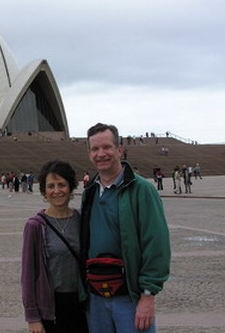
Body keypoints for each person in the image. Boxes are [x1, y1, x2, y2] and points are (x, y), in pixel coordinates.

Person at [81, 123, 171, 332]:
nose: (101, 154)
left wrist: (148, 296)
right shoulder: (90, 192)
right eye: (95, 149)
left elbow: (156, 244)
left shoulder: (141, 190)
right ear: (89, 153)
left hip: (130, 298)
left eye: (107, 147)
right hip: (95, 297)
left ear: (119, 150)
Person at [21, 160, 88, 333]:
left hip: (83, 304)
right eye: (51, 186)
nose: (56, 191)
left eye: (61, 185)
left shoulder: (82, 220)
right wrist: (33, 317)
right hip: (51, 307)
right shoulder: (35, 226)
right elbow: (28, 275)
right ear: (44, 191)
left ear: (71, 187)